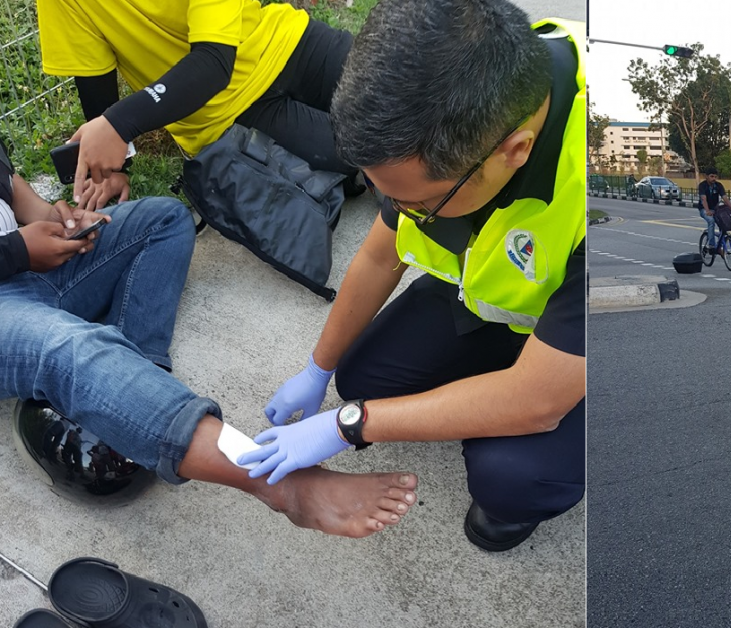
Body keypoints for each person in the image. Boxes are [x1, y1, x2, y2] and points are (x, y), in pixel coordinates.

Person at [239, 0, 586, 553]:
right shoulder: (450, 110)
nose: (397, 211)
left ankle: (525, 492)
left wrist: (347, 426)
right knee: (362, 377)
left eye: (415, 203)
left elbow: (538, 401)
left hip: (583, 350)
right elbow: (381, 256)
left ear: (514, 152)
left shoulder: (585, 197)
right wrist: (317, 368)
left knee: (511, 473)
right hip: (496, 303)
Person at [0, 139, 416, 537]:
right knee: (64, 349)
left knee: (165, 220)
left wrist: (47, 218)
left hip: (28, 264)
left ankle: (132, 383)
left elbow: (8, 182)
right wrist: (17, 251)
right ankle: (281, 486)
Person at [36, 0, 365, 211]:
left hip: (290, 42)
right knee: (373, 150)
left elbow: (213, 63)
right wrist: (111, 170)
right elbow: (96, 87)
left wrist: (118, 124)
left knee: (405, 93)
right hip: (227, 116)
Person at [698, 167, 731, 253]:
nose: (714, 179)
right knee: (711, 221)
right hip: (704, 209)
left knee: (724, 221)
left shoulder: (718, 185)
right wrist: (707, 211)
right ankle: (712, 246)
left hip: (716, 209)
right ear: (706, 176)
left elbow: (725, 198)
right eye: (712, 176)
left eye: (715, 177)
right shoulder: (702, 186)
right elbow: (703, 199)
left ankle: (720, 246)